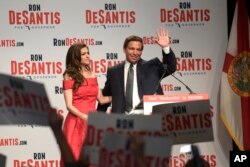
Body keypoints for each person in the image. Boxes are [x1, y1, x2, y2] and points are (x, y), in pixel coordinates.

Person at [98, 27, 176, 114]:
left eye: (138, 49)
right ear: (124, 49)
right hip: (122, 120)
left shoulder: (152, 66)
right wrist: (98, 120)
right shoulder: (114, 71)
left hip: (148, 117)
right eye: (131, 49)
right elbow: (106, 96)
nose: (135, 53)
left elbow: (171, 68)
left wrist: (166, 47)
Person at [62, 43, 112, 162]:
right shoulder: (69, 75)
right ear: (75, 57)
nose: (88, 56)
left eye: (88, 53)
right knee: (75, 156)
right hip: (76, 121)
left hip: (93, 121)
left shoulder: (93, 75)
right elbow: (69, 105)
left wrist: (121, 96)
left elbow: (102, 99)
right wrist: (84, 117)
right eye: (83, 54)